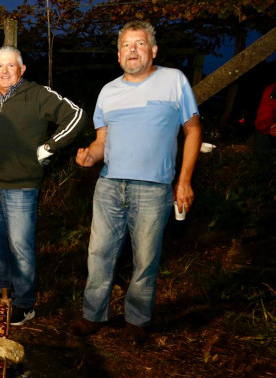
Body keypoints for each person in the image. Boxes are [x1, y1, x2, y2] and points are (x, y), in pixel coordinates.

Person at [71, 20, 202, 343]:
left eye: (140, 43)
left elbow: (193, 130)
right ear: (118, 55)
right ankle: (94, 315)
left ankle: (137, 321)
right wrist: (90, 155)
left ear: (153, 50)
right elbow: (103, 141)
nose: (133, 50)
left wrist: (184, 180)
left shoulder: (174, 81)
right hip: (109, 185)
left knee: (145, 257)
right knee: (99, 253)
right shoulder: (108, 92)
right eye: (127, 45)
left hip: (153, 188)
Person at [0, 47, 86, 325]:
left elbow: (76, 115)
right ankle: (3, 294)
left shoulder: (37, 95)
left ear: (22, 69)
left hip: (22, 186)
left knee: (20, 247)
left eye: (11, 66)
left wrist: (51, 145)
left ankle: (24, 303)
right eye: (0, 66)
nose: (5, 71)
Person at [254, 82, 276, 155]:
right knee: (261, 136)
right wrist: (269, 127)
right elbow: (265, 114)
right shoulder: (272, 89)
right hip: (267, 132)